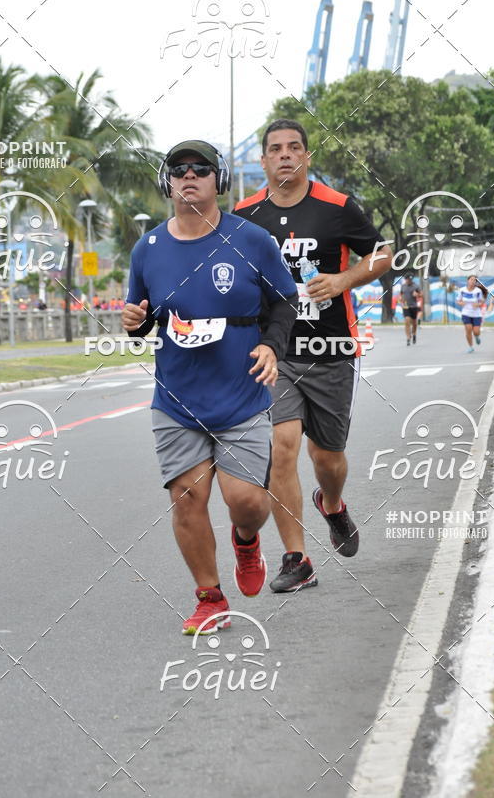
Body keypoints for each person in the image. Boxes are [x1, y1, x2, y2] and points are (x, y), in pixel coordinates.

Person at [122, 140, 298, 634]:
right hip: (177, 398)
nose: (190, 176)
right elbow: (141, 320)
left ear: (218, 180)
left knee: (246, 502)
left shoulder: (251, 239)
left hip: (241, 394)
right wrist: (133, 321)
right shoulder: (148, 249)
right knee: (186, 497)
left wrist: (271, 347)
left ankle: (247, 540)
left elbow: (285, 303)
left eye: (201, 169)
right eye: (180, 170)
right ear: (168, 183)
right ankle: (209, 597)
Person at [234, 119, 393, 593]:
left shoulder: (338, 207)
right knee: (281, 447)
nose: (285, 155)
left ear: (307, 157)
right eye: (275, 149)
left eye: (294, 148)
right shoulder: (243, 216)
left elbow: (384, 254)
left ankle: (334, 503)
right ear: (262, 161)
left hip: (331, 348)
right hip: (274, 352)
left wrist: (343, 280)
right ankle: (297, 558)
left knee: (329, 458)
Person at [457, 274, 484, 352]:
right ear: (468, 281)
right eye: (471, 279)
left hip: (476, 314)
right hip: (466, 313)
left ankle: (477, 336)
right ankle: (470, 347)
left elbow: (481, 302)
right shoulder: (462, 290)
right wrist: (461, 303)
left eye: (475, 280)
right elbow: (458, 300)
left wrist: (478, 304)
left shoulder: (478, 291)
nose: (473, 281)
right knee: (468, 329)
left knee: (476, 331)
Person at [400, 273, 421, 346]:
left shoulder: (416, 286)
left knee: (414, 323)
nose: (409, 281)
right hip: (406, 306)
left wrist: (417, 294)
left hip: (414, 306)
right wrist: (401, 300)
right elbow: (402, 295)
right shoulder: (403, 286)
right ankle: (408, 337)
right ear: (406, 279)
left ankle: (414, 334)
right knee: (407, 321)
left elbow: (421, 294)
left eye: (411, 279)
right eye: (408, 279)